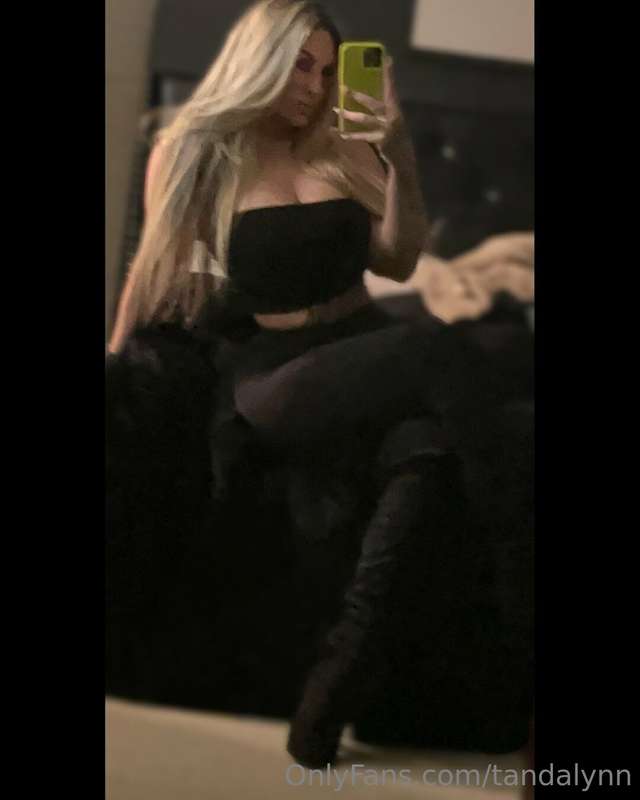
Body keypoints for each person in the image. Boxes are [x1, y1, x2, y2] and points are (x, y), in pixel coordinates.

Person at [107, 0, 533, 768]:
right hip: (273, 368)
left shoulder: (342, 146)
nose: (314, 85)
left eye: (329, 71)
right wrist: (117, 366)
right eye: (301, 65)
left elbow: (399, 259)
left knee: (427, 452)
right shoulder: (197, 149)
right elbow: (153, 265)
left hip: (362, 340)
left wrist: (396, 151)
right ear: (261, 57)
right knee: (449, 351)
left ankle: (337, 680)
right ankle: (521, 552)